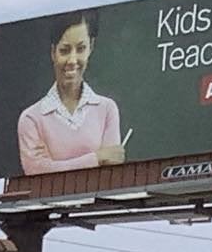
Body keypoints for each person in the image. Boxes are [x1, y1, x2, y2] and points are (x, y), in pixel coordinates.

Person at [17, 17, 128, 174]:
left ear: (91, 47)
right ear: (53, 52)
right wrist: (96, 158)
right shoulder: (31, 118)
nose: (72, 60)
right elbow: (36, 171)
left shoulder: (107, 109)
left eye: (81, 48)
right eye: (64, 50)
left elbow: (111, 166)